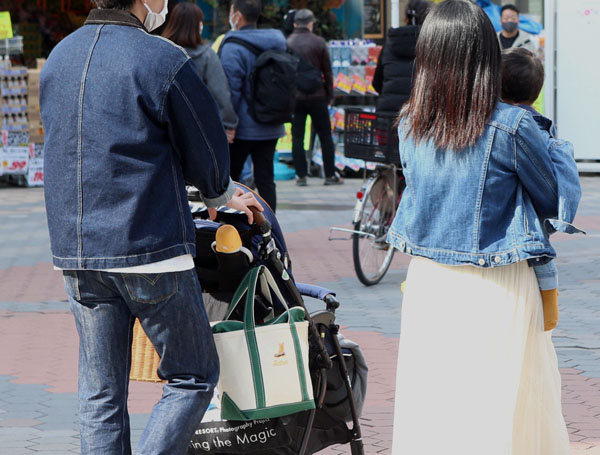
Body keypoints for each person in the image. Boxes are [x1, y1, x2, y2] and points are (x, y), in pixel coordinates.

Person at [39, 0, 262, 453]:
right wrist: (220, 194)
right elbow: (205, 145)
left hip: (76, 249)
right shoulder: (161, 58)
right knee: (192, 375)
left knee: (100, 392)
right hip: (147, 242)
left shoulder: (60, 55)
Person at [387, 1, 580, 454]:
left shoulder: (410, 122)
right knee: (501, 406)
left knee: (435, 402)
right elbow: (553, 201)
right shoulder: (513, 126)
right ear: (487, 55)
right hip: (499, 278)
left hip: (430, 280)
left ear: (427, 56)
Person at [501, 46, 584, 331]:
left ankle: (549, 304)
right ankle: (550, 301)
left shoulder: (512, 126)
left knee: (535, 242)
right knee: (541, 252)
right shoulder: (542, 125)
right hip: (538, 224)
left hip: (518, 219)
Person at [219, 0, 287, 211]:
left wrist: (228, 124)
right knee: (266, 179)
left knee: (232, 181)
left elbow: (230, 91)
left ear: (237, 15)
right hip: (272, 123)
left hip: (242, 128)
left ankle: (234, 225)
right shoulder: (277, 43)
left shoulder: (233, 47)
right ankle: (269, 226)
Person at [162, 2, 237, 143]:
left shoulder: (160, 53)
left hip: (164, 128)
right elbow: (220, 93)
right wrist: (229, 124)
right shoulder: (207, 56)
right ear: (196, 25)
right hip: (201, 129)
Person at [287, 8, 341, 187]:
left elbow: (284, 72)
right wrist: (330, 94)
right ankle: (330, 175)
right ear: (311, 24)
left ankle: (301, 176)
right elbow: (327, 71)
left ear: (295, 24)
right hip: (318, 95)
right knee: (325, 135)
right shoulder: (319, 42)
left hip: (296, 97)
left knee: (297, 137)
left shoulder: (288, 42)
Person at [372, 0, 431, 114]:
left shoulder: (390, 43)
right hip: (418, 115)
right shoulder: (432, 45)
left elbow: (377, 82)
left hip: (387, 115)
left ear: (406, 18)